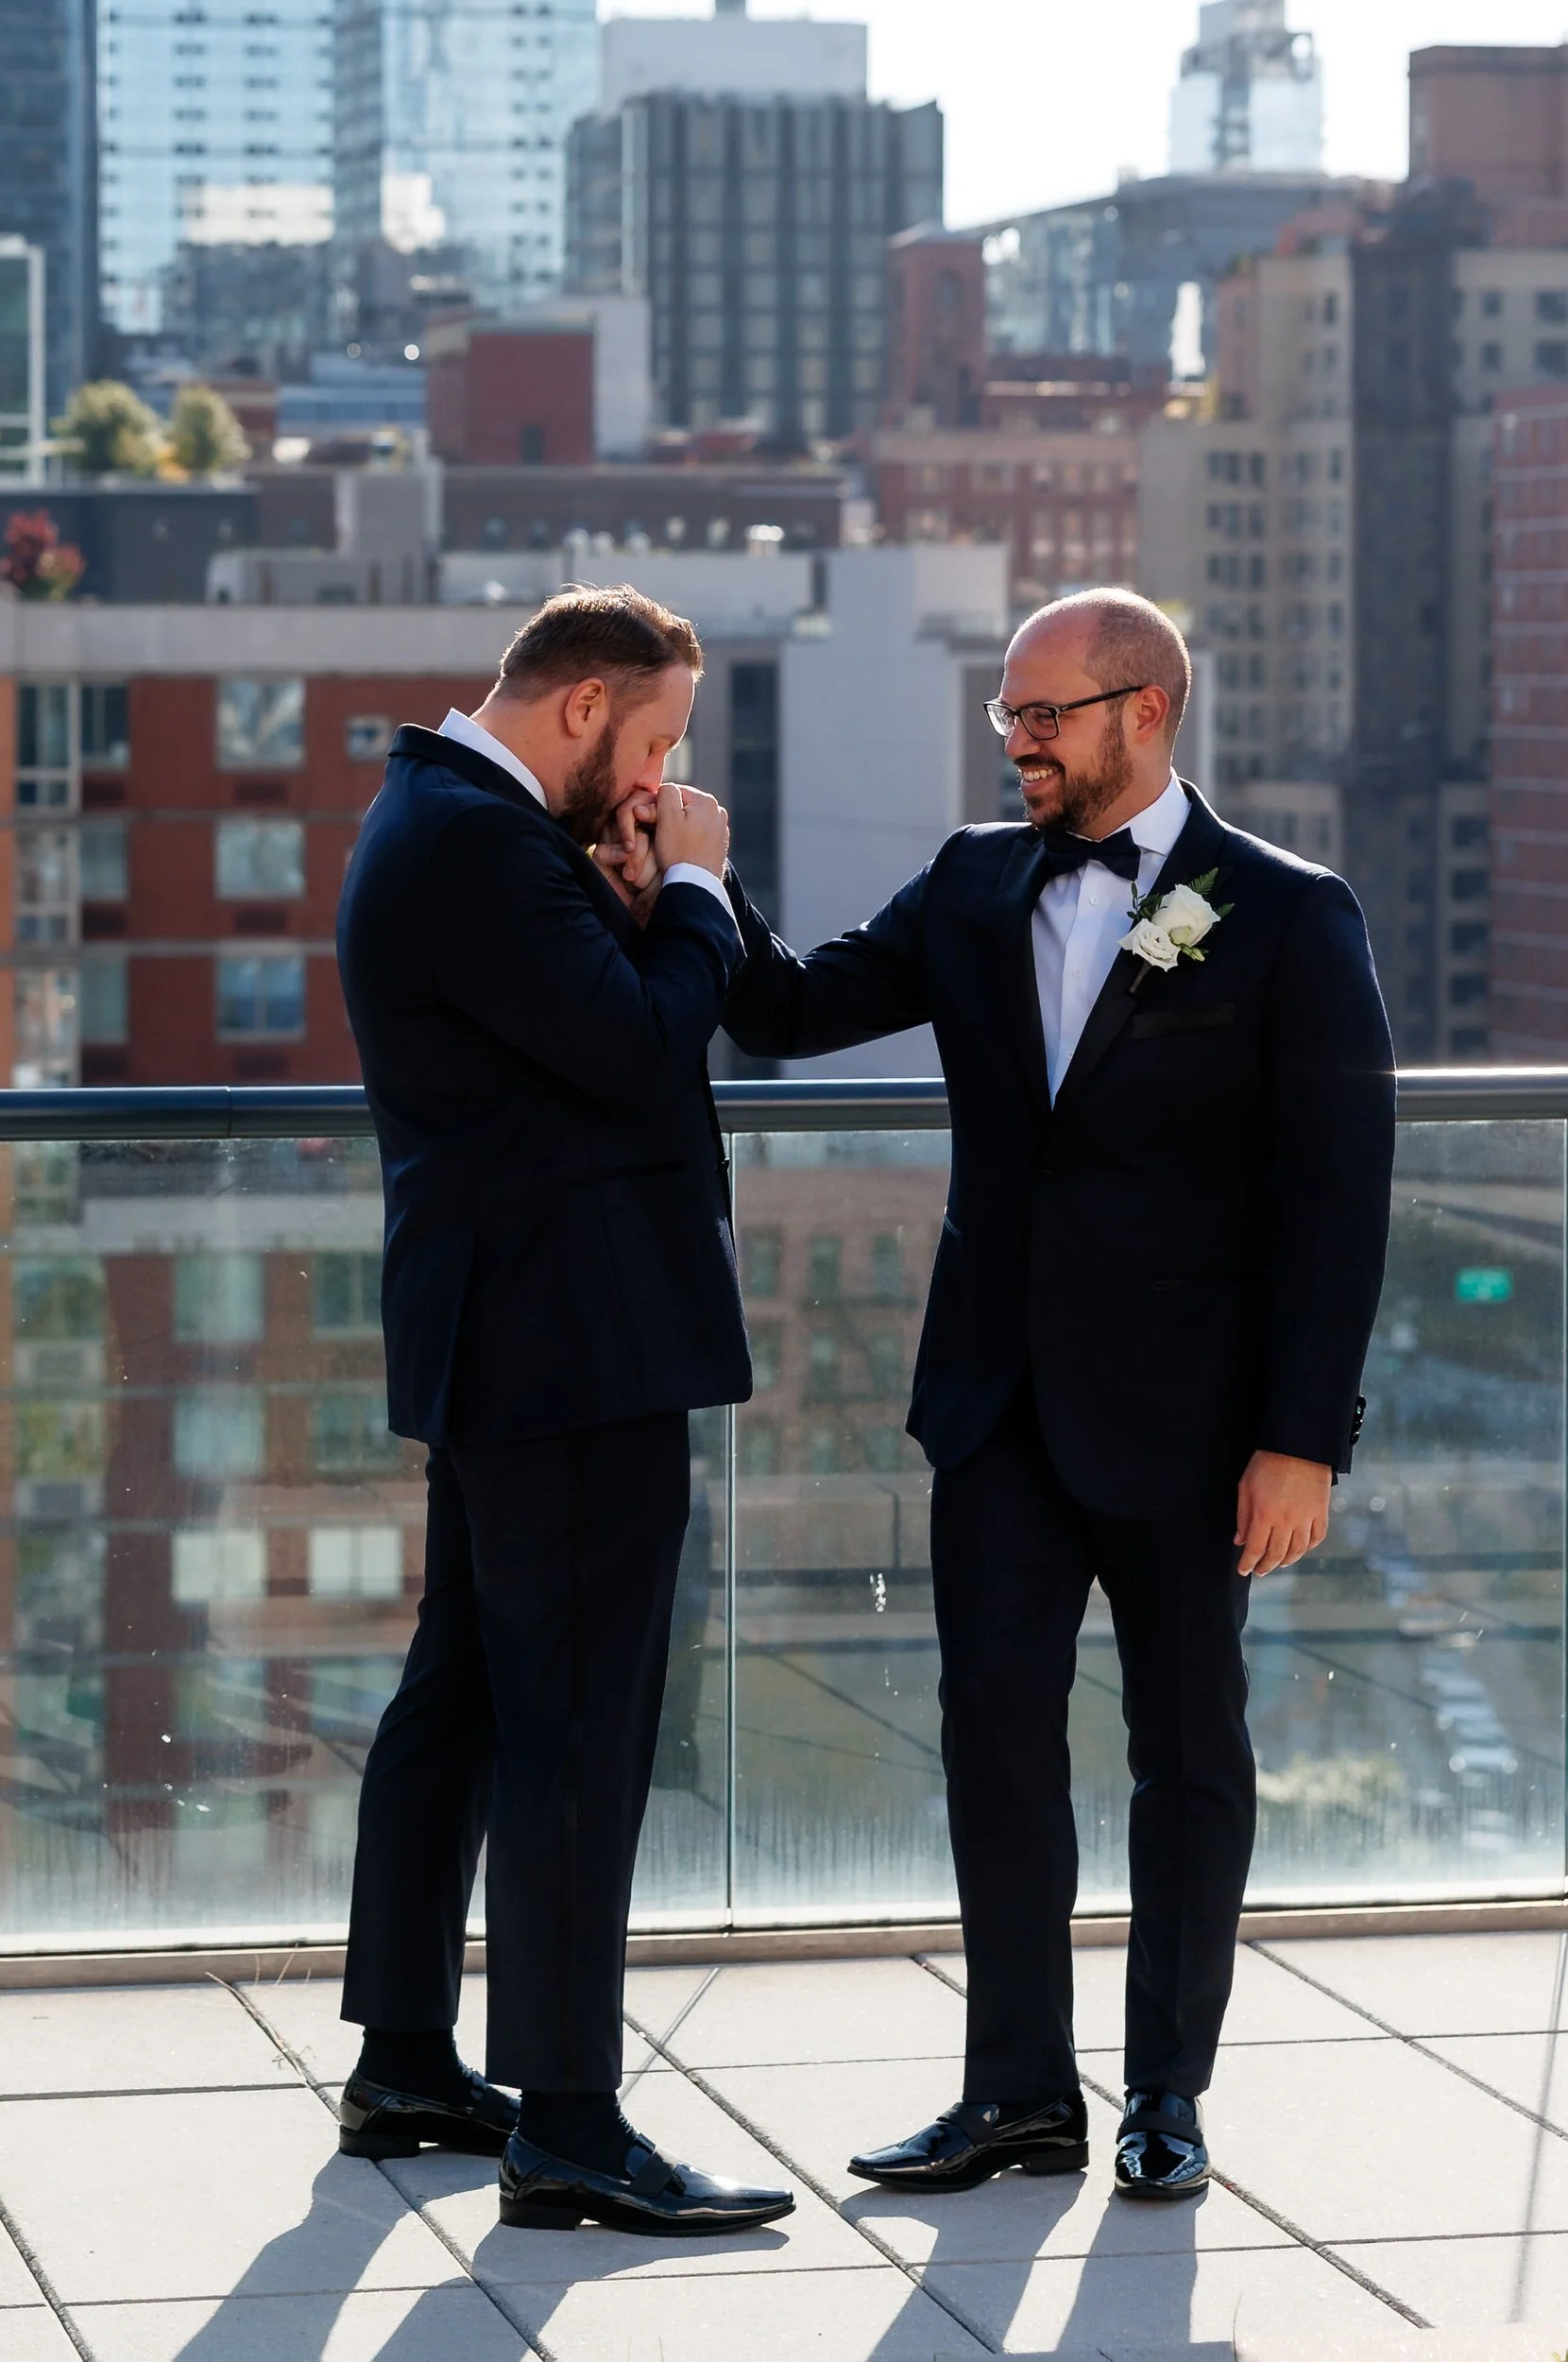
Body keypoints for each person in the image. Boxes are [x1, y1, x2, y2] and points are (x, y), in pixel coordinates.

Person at [683, 587, 1394, 2199]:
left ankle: (1165, 2097)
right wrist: (697, 879)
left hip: (1194, 1425)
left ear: (1146, 710)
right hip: (994, 1409)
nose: (1016, 741)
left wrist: (1301, 1440)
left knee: (1186, 1756)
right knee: (993, 1741)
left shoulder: (1288, 913)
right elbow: (788, 1012)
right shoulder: (970, 878)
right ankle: (1013, 2095)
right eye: (1005, 715)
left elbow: (1337, 1196)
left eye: (1043, 714)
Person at [333, 585, 792, 2237]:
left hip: (507, 1335)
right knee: (578, 1726)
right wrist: (697, 889)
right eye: (657, 738)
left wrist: (636, 896)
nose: (662, 775)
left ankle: (405, 2062)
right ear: (583, 705)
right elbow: (638, 1049)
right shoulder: (477, 841)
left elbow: (570, 1037)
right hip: (571, 1342)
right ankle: (574, 2126)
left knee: (465, 1689)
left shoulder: (449, 819)